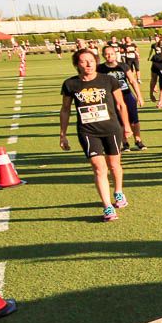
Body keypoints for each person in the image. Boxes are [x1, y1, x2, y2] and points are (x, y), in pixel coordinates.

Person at [59, 49, 132, 221]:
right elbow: (65, 110)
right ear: (77, 64)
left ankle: (119, 192)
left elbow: (121, 104)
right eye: (84, 61)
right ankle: (107, 206)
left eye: (91, 60)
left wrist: (126, 126)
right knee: (99, 168)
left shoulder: (108, 80)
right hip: (87, 131)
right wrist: (62, 134)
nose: (89, 64)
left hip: (111, 128)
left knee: (114, 165)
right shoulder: (70, 84)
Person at [99, 44, 146, 150]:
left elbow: (132, 81)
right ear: (103, 56)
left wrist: (139, 96)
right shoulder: (100, 69)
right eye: (106, 54)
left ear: (115, 54)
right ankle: (124, 142)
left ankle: (138, 140)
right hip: (112, 97)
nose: (109, 56)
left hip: (126, 94)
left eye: (111, 54)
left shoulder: (123, 66)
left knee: (134, 119)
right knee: (119, 120)